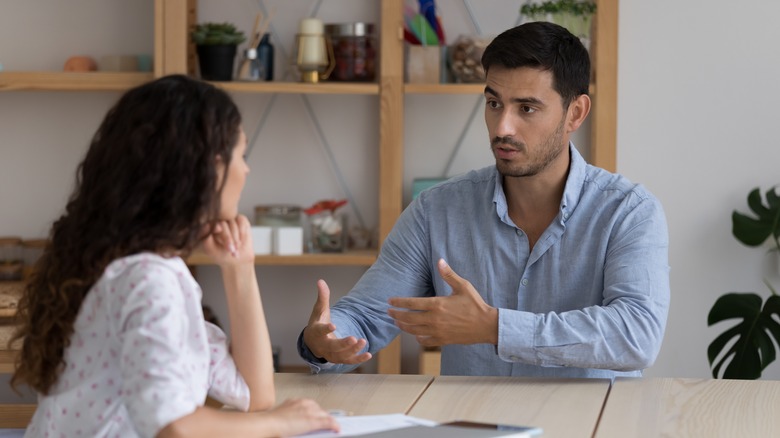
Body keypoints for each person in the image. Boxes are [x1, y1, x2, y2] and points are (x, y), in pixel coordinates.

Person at [298, 21, 670, 379]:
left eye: (526, 108)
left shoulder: (629, 212)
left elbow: (636, 335)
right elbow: (365, 318)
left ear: (575, 113)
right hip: (475, 425)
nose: (503, 127)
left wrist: (495, 327)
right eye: (494, 104)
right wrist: (323, 340)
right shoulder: (435, 212)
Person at [10, 75, 338, 437]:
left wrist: (239, 268)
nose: (246, 170)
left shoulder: (135, 267)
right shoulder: (147, 279)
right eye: (240, 155)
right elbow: (173, 426)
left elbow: (255, 394)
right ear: (208, 169)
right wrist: (279, 423)